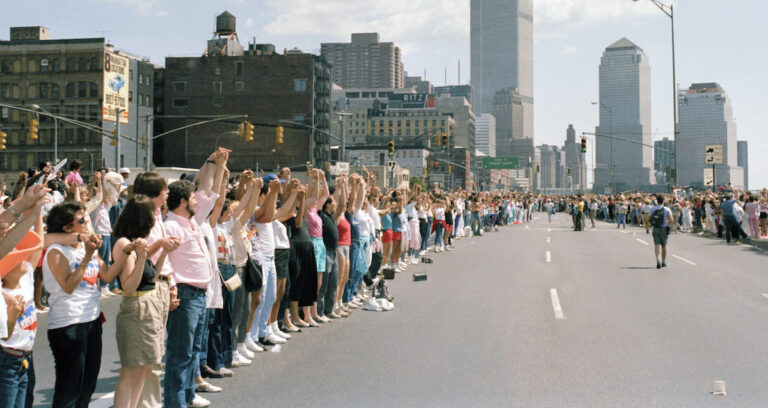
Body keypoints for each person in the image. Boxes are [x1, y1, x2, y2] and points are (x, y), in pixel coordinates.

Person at [163, 149, 226, 408]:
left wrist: (213, 163)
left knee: (192, 352)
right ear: (181, 202)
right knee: (180, 353)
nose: (196, 201)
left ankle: (188, 395)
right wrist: (171, 287)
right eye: (191, 198)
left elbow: (205, 191)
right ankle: (175, 402)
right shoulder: (170, 225)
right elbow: (165, 261)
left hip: (200, 295)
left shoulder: (192, 220)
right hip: (185, 295)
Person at [43, 201, 119, 407]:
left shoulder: (89, 249)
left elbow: (108, 275)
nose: (88, 222)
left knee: (88, 384)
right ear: (67, 228)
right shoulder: (56, 251)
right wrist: (86, 257)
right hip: (68, 324)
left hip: (91, 320)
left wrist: (130, 252)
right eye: (82, 220)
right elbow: (68, 285)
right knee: (70, 388)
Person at [112, 195, 169, 408]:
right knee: (131, 369)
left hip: (149, 303)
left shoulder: (137, 244)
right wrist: (141, 256)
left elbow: (151, 278)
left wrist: (163, 252)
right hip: (136, 308)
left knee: (146, 367)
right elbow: (128, 285)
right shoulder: (124, 244)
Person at [0, 189, 44, 408]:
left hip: (23, 358)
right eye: (15, 257)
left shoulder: (25, 278)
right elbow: (5, 334)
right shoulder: (3, 293)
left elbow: (36, 245)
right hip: (7, 359)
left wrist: (35, 211)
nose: (23, 260)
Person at [649, 194, 674, 269]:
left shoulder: (653, 209)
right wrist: (666, 222)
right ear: (664, 201)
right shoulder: (667, 209)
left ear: (656, 200)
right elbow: (671, 220)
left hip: (656, 228)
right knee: (664, 245)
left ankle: (657, 260)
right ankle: (663, 261)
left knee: (657, 245)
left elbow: (650, 219)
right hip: (663, 229)